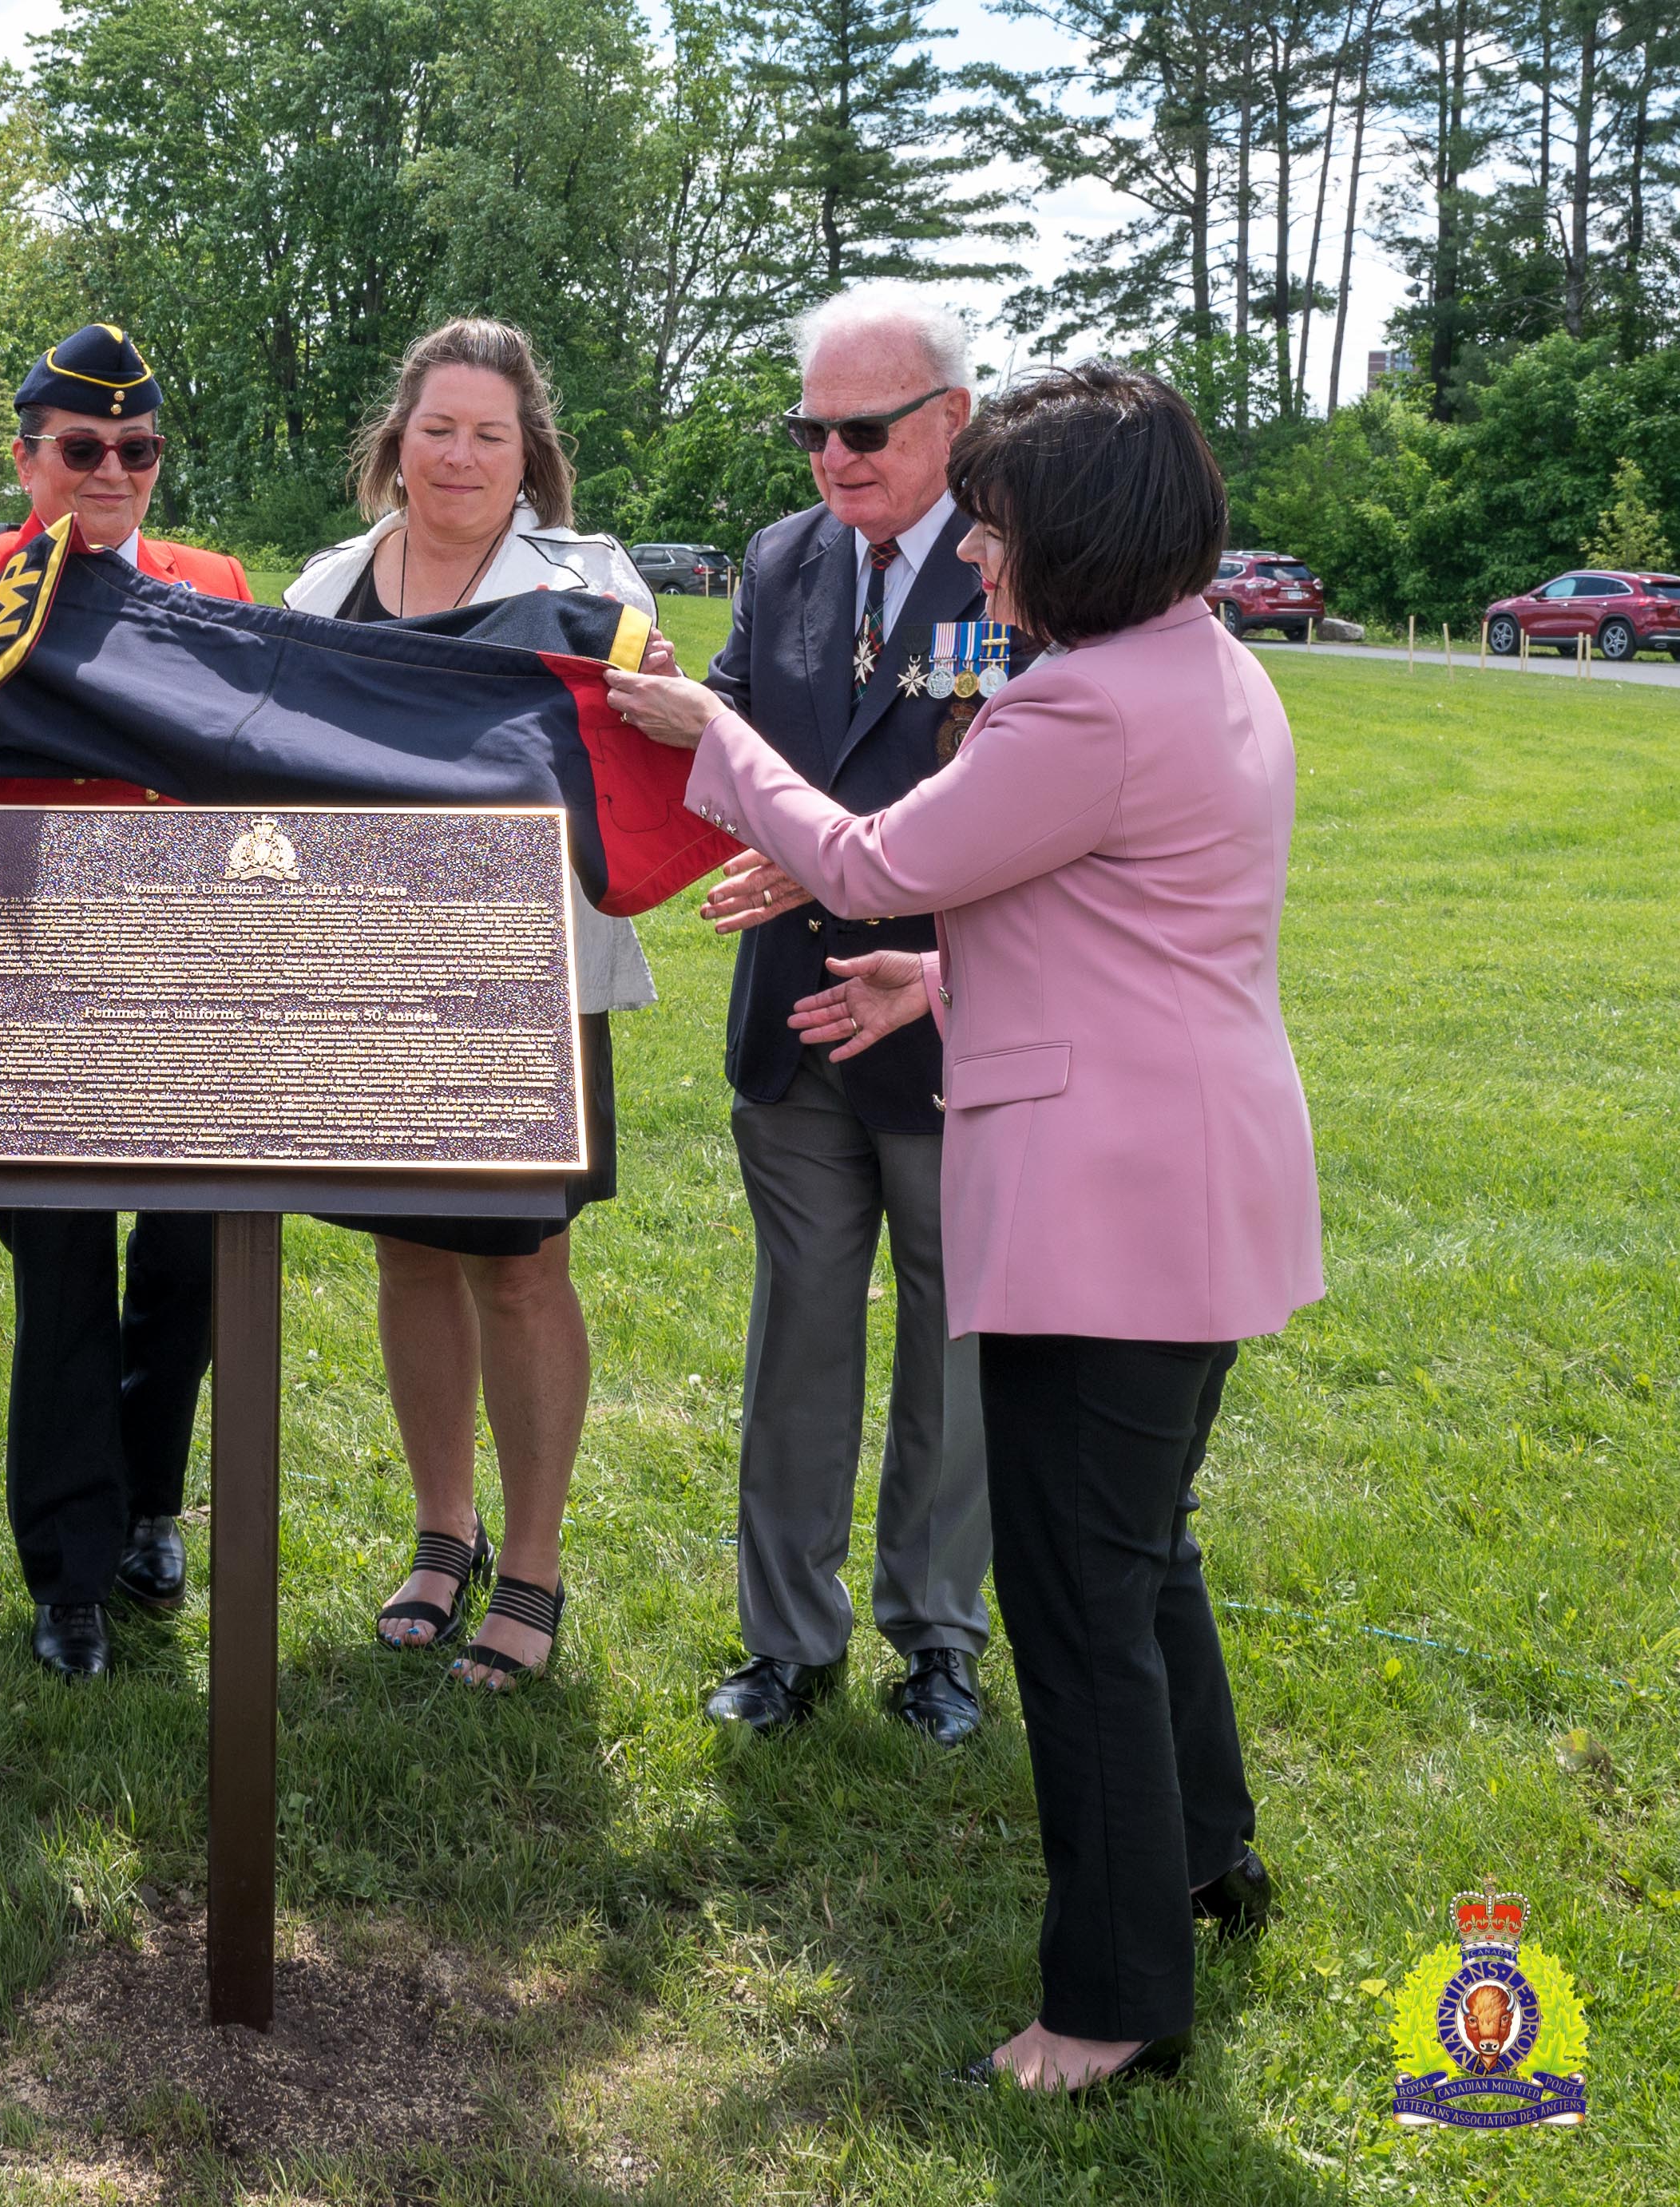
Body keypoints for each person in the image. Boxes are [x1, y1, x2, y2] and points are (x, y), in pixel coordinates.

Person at [607, 361, 1322, 2092]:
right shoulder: (1197, 662)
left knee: (1077, 1597)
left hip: (1110, 1194)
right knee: (1144, 1547)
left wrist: (723, 740)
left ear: (1067, 537)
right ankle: (1205, 1850)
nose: (978, 555)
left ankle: (1116, 1998)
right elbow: (1134, 903)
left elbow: (861, 854)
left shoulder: (1080, 705)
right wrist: (944, 977)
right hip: (1199, 1163)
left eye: (997, 524)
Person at [281, 317, 658, 1689]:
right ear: (398, 441)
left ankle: (537, 1566)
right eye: (437, 428)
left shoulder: (591, 581)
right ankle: (444, 1535)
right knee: (408, 1253)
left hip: (524, 976)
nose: (459, 455)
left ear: (528, 454)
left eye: (489, 434)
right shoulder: (327, 583)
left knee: (520, 1265)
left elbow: (629, 766)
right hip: (369, 971)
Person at [0, 323, 252, 1682]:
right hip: (31, 985)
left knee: (188, 1265)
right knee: (62, 1283)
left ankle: (152, 1504)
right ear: (27, 453)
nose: (112, 472)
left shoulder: (211, 583)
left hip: (183, 983)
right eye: (82, 449)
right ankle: (70, 1567)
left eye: (138, 451)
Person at [688, 283, 996, 1748]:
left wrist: (844, 866)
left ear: (953, 419)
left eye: (863, 429)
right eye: (812, 430)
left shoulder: (1019, 572)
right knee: (800, 1330)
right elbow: (729, 732)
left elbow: (1026, 788)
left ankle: (938, 1636)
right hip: (799, 1016)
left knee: (955, 1339)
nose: (832, 458)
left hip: (955, 1015)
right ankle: (787, 1642)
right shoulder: (783, 558)